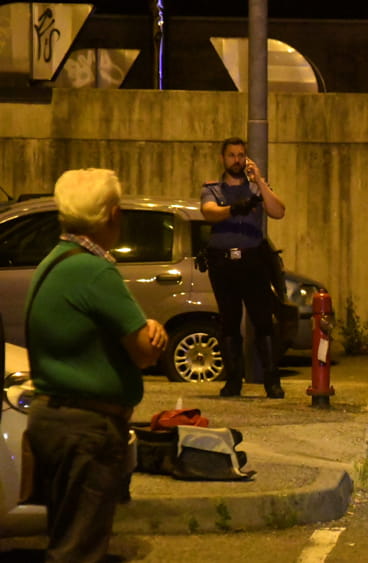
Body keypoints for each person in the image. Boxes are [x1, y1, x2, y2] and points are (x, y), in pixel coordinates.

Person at [24, 168, 168, 562]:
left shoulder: (53, 262)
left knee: (65, 538)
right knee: (81, 549)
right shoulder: (93, 271)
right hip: (86, 428)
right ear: (113, 215)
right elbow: (143, 350)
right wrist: (154, 330)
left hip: (53, 419)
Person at [201, 137, 287, 399]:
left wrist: (259, 180)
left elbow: (279, 211)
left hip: (253, 261)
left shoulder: (256, 188)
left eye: (241, 155)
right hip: (223, 263)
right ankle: (233, 382)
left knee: (263, 321)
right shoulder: (213, 189)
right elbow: (208, 212)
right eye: (231, 155)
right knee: (229, 322)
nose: (236, 160)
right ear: (222, 158)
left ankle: (272, 382)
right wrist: (234, 209)